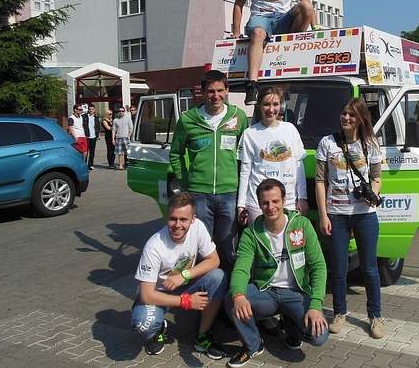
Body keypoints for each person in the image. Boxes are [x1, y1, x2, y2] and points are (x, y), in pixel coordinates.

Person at [225, 179, 328, 368]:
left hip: (296, 292)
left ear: (284, 200)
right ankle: (253, 345)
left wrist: (315, 305)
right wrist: (239, 295)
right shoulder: (251, 233)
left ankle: (292, 327)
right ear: (259, 204)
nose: (270, 207)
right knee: (231, 300)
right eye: (265, 203)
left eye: (275, 201)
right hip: (267, 291)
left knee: (318, 335)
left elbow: (319, 266)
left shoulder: (302, 225)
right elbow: (241, 268)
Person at [315, 97, 385, 339]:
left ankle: (375, 316)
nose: (346, 117)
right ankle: (339, 313)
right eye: (344, 113)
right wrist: (323, 215)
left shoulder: (371, 143)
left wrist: (372, 194)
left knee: (370, 269)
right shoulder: (327, 143)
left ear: (361, 119)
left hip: (365, 215)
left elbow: (376, 177)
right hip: (337, 214)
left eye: (352, 115)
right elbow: (320, 181)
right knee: (338, 268)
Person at [131, 193, 227, 359]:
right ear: (167, 217)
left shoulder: (198, 227)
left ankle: (202, 336)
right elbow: (147, 295)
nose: (177, 225)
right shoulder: (154, 246)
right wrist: (186, 301)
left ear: (193, 219)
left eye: (183, 219)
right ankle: (157, 331)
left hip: (186, 284)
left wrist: (184, 275)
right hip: (158, 293)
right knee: (143, 324)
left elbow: (214, 260)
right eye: (173, 219)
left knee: (218, 277)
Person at [170, 69, 248, 271]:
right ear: (203, 92)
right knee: (201, 247)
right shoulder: (188, 119)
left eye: (220, 90)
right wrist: (184, 181)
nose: (216, 96)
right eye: (211, 91)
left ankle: (229, 285)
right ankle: (205, 285)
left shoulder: (238, 117)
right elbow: (175, 153)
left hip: (229, 192)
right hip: (199, 193)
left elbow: (245, 154)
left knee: (228, 246)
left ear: (227, 90)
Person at [231, 0, 317, 105]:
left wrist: (316, 28)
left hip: (282, 18)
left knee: (306, 6)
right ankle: (252, 84)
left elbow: (306, 2)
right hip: (261, 18)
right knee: (258, 33)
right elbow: (238, 4)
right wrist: (235, 32)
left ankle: (294, 41)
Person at [237, 87, 308, 225]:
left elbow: (299, 166)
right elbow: (245, 172)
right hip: (258, 204)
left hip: (289, 201)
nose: (271, 109)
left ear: (281, 106)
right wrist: (241, 205)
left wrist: (303, 198)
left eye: (275, 104)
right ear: (259, 106)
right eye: (266, 104)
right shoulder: (249, 134)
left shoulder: (290, 129)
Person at [112, 106, 133, 170]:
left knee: (127, 152)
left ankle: (126, 164)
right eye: (120, 111)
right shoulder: (115, 120)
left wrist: (128, 136)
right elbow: (113, 130)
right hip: (118, 138)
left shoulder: (128, 118)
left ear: (124, 112)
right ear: (118, 112)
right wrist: (113, 139)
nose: (121, 112)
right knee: (120, 153)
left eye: (122, 111)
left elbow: (131, 128)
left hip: (126, 138)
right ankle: (121, 166)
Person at [82, 103, 100, 170]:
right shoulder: (84, 116)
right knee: (85, 151)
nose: (91, 110)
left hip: (93, 136)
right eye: (89, 109)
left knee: (92, 151)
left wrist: (98, 134)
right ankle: (84, 164)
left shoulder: (96, 117)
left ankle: (90, 165)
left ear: (94, 110)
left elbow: (98, 126)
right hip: (86, 136)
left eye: (92, 109)